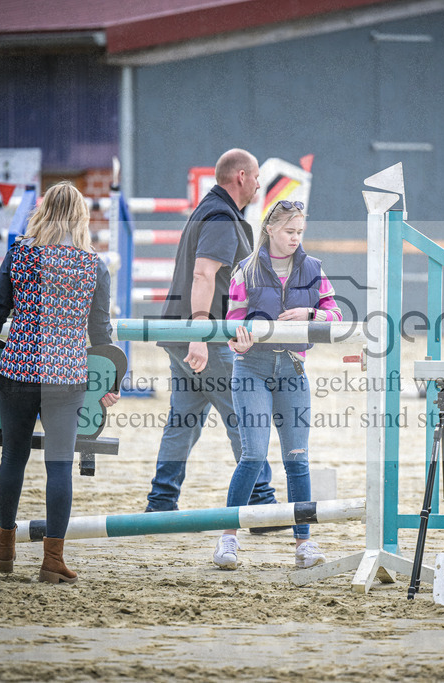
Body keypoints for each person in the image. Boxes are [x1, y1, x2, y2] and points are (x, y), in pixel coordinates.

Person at [0, 181, 119, 584]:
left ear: (42, 212)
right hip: (66, 375)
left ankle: (5, 546)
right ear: (81, 217)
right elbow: (101, 334)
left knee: (13, 457)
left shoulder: (20, 255)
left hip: (19, 370)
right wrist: (111, 383)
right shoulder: (93, 265)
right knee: (59, 465)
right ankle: (52, 559)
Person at [145, 148, 279, 519]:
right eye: (255, 178)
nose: (257, 185)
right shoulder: (221, 217)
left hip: (182, 334)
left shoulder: (209, 210)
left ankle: (160, 503)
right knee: (244, 417)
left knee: (182, 423)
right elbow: (203, 274)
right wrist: (200, 333)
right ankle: (262, 505)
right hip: (206, 336)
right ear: (240, 177)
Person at [211, 199, 342, 570]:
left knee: (297, 459)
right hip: (250, 367)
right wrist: (239, 340)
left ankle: (304, 543)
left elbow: (336, 314)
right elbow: (233, 322)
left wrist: (310, 313)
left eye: (300, 232)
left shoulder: (314, 269)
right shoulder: (245, 270)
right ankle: (227, 539)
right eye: (289, 231)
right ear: (270, 229)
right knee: (253, 454)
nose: (295, 239)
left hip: (293, 368)